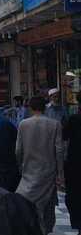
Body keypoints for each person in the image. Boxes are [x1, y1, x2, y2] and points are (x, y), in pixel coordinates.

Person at [15, 97, 65, 235]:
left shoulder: (23, 124)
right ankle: (45, 230)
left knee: (27, 204)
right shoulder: (55, 124)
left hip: (28, 171)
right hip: (48, 172)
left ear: (30, 107)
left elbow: (18, 150)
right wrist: (60, 175)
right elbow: (59, 151)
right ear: (45, 107)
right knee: (47, 206)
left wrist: (20, 166)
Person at [65, 93, 81, 235]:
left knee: (75, 194)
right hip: (74, 162)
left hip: (75, 162)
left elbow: (64, 136)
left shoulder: (74, 119)